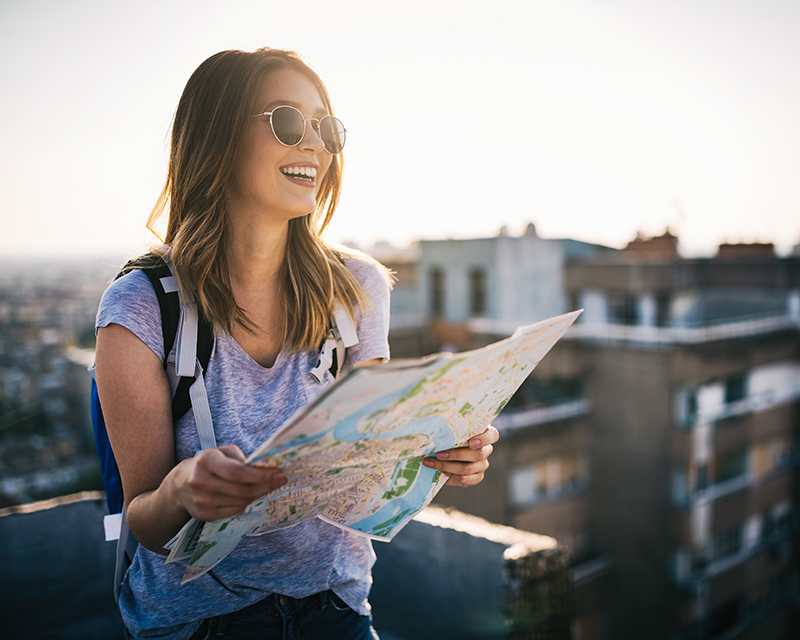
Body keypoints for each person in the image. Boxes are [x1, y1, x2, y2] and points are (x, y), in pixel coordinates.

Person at [94, 47, 499, 640]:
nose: (315, 145)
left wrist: (443, 446)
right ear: (219, 138)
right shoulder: (138, 308)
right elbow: (147, 522)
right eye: (287, 121)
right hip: (196, 624)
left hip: (334, 608)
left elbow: (370, 461)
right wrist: (183, 487)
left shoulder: (356, 287)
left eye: (327, 128)